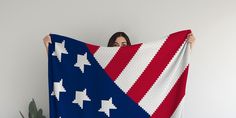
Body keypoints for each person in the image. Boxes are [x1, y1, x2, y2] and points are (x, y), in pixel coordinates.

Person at [43, 31, 195, 52]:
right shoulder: (100, 64)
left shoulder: (136, 62)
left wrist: (188, 45)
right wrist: (50, 48)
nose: (120, 47)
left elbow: (165, 63)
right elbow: (72, 74)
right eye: (115, 45)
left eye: (124, 44)